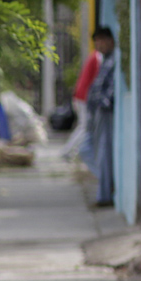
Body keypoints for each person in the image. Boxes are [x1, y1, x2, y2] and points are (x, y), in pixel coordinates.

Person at [84, 26, 116, 206]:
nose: (99, 45)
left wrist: (101, 102)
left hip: (104, 113)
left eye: (101, 41)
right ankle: (106, 187)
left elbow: (108, 93)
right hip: (97, 113)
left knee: (102, 153)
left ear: (110, 41)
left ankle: (105, 194)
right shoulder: (104, 61)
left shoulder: (112, 61)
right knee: (92, 150)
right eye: (96, 42)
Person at [60, 41, 102, 162]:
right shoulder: (98, 57)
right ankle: (68, 151)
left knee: (83, 126)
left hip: (80, 96)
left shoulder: (94, 56)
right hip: (84, 97)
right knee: (84, 127)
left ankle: (70, 151)